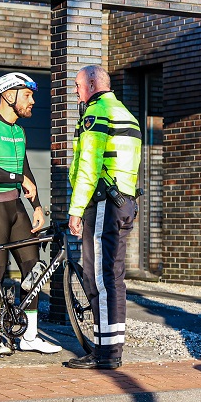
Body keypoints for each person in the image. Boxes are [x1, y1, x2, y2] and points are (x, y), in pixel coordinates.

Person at [0, 72, 61, 356]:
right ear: (8, 96)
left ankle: (30, 336)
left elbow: (26, 173)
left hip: (16, 207)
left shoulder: (19, 131)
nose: (32, 101)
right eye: (27, 95)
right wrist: (17, 178)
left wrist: (37, 207)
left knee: (33, 270)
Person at [64, 66, 142, 370]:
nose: (75, 91)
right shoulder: (126, 114)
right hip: (125, 203)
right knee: (114, 276)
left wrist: (76, 209)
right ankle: (110, 348)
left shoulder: (96, 114)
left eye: (77, 85)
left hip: (104, 205)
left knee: (98, 276)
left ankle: (105, 354)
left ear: (93, 84)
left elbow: (89, 164)